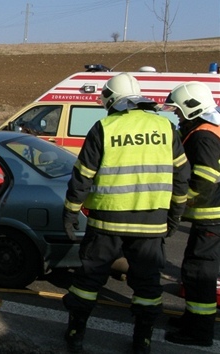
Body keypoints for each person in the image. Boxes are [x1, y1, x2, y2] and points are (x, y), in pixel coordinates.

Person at [61, 73, 190, 354]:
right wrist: (174, 217)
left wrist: (70, 212)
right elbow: (182, 177)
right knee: (147, 285)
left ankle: (75, 334)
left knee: (89, 280)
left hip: (107, 220)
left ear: (111, 99)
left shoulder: (104, 127)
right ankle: (142, 340)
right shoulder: (165, 128)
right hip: (151, 223)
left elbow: (83, 175)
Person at [161, 81, 220, 347]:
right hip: (210, 218)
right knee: (194, 269)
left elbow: (205, 180)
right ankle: (192, 320)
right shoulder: (208, 129)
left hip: (211, 218)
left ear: (192, 107)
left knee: (199, 273)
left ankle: (199, 333)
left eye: (178, 110)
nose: (175, 114)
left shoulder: (203, 135)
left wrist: (181, 203)